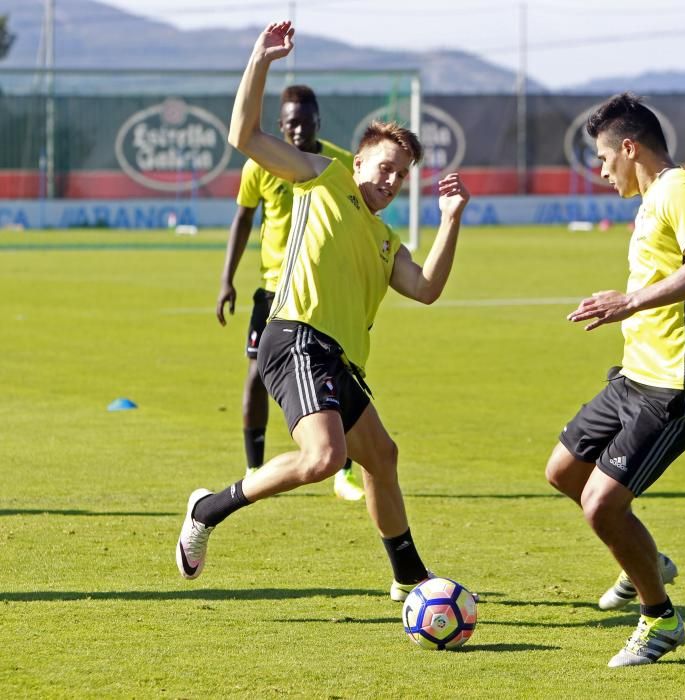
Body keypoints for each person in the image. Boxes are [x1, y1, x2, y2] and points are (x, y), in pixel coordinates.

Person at [177, 21, 470, 603]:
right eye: (385, 167)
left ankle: (409, 575)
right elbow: (244, 133)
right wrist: (260, 58)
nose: (391, 181)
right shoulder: (323, 177)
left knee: (381, 457)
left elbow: (428, 287)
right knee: (324, 457)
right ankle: (208, 509)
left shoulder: (386, 240)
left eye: (402, 175)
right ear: (357, 163)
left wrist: (452, 219)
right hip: (296, 339)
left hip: (338, 358)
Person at [545, 92, 685, 667]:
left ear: (630, 147)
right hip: (634, 377)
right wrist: (628, 309)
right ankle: (645, 560)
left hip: (678, 387)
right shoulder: (651, 199)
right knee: (563, 471)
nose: (600, 170)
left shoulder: (681, 188)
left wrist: (630, 301)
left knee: (601, 505)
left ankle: (660, 619)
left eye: (603, 158)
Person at [216, 83, 366, 502]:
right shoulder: (259, 165)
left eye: (306, 122)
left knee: (342, 375)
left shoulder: (336, 163)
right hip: (272, 290)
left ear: (318, 121)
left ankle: (346, 472)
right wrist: (227, 278)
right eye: (291, 123)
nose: (299, 130)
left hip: (321, 287)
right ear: (280, 125)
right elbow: (243, 219)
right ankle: (253, 465)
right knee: (255, 375)